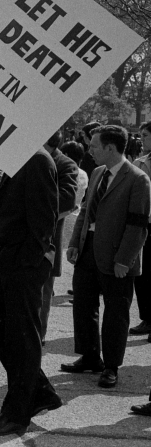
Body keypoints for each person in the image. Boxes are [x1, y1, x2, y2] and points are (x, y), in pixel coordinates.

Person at [0, 149, 60, 436]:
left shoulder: (37, 160)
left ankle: (17, 413)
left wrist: (28, 262)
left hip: (22, 265)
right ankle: (39, 390)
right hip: (4, 261)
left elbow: (44, 219)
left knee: (21, 335)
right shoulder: (18, 158)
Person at [63, 125, 150, 389]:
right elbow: (87, 209)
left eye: (95, 146)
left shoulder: (138, 179)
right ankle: (90, 357)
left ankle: (111, 366)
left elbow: (138, 226)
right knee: (84, 305)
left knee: (116, 312)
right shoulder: (98, 172)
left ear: (111, 148)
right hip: (89, 250)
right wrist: (76, 242)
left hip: (117, 258)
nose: (90, 150)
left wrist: (125, 259)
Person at [40, 132, 79, 342]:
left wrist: (32, 203)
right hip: (22, 236)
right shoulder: (28, 158)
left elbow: (66, 200)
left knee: (43, 290)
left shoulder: (65, 164)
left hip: (46, 238)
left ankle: (38, 336)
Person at [131, 123, 151, 337]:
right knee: (143, 274)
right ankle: (147, 318)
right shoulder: (140, 162)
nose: (141, 140)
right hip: (145, 223)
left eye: (145, 136)